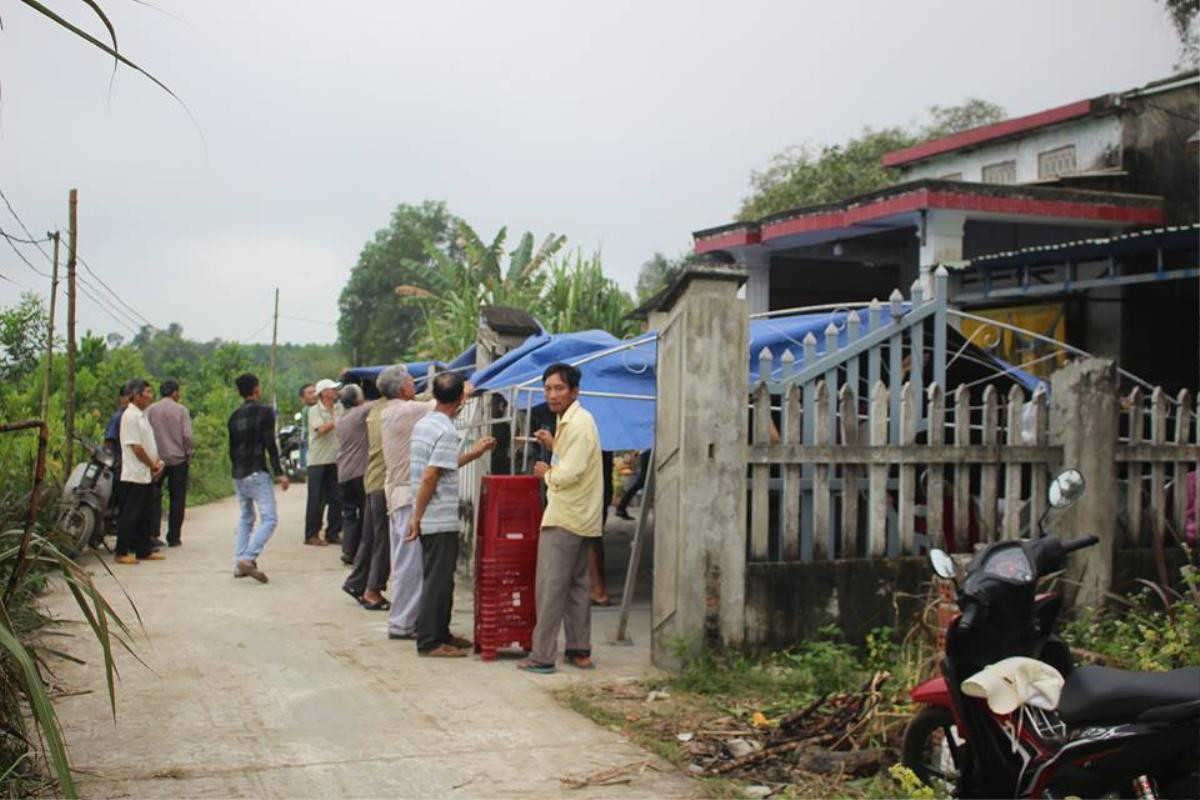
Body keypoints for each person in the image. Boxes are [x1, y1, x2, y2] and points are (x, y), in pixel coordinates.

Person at [519, 363, 603, 674]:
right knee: (577, 584)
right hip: (580, 515)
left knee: (551, 586)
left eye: (559, 388)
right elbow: (573, 458)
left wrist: (546, 473)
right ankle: (579, 649)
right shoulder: (572, 422)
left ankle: (542, 656)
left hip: (565, 515)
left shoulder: (578, 424)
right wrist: (554, 446)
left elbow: (570, 471)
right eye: (548, 389)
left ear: (574, 392)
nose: (552, 395)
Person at [407, 373, 495, 657]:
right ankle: (430, 641)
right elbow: (431, 476)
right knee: (438, 580)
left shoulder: (425, 424)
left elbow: (441, 464)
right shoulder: (445, 430)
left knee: (441, 577)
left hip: (431, 515)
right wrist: (417, 517)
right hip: (436, 517)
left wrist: (475, 453)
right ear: (460, 400)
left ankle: (440, 631)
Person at [378, 365, 436, 639]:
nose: (415, 385)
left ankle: (405, 620)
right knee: (409, 564)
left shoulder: (390, 411)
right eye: (412, 381)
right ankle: (402, 623)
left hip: (397, 495)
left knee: (405, 561)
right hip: (405, 496)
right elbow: (445, 404)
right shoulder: (406, 411)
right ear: (403, 388)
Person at [227, 373, 290, 582]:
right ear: (256, 389)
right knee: (269, 518)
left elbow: (232, 449)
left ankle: (239, 562)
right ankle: (248, 557)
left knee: (246, 518)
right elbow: (270, 445)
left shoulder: (234, 416)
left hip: (238, 474)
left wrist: (236, 472)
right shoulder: (265, 413)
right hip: (256, 471)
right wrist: (279, 473)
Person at [342, 384, 393, 609]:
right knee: (381, 537)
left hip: (362, 477)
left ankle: (356, 581)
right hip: (368, 477)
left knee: (369, 534)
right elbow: (385, 400)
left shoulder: (344, 416)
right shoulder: (367, 411)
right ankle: (372, 590)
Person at [114, 379, 166, 565]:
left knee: (146, 513)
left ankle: (143, 549)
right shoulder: (130, 416)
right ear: (137, 396)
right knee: (131, 514)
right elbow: (136, 447)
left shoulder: (141, 415)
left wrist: (156, 462)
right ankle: (121, 551)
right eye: (148, 393)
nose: (151, 396)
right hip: (134, 473)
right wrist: (152, 464)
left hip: (145, 473)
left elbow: (147, 443)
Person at [146, 379, 195, 547]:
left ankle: (152, 534)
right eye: (178, 392)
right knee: (177, 499)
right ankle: (174, 537)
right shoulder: (181, 410)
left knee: (153, 496)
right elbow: (187, 435)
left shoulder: (151, 409)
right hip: (178, 460)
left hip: (156, 461)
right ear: (174, 392)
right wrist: (189, 453)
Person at [334, 384, 372, 564]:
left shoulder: (340, 419)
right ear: (357, 399)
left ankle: (348, 551)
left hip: (343, 473)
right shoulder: (359, 413)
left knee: (348, 514)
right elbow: (383, 402)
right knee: (365, 513)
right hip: (360, 471)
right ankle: (364, 553)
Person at [305, 378, 342, 546]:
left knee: (336, 498)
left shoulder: (339, 408)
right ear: (324, 393)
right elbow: (321, 429)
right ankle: (311, 534)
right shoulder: (314, 410)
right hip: (318, 461)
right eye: (332, 389)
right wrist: (338, 420)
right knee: (317, 499)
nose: (335, 391)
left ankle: (333, 533)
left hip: (336, 459)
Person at [103, 384, 131, 519]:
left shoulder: (133, 416)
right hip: (120, 465)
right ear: (121, 398)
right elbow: (109, 442)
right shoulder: (118, 417)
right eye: (127, 397)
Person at [614, 450, 650, 521]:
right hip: (647, 451)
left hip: (646, 451)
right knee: (641, 481)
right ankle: (621, 506)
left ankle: (621, 506)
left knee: (641, 482)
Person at [298, 383, 316, 469]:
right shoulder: (308, 410)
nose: (313, 395)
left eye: (314, 392)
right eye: (309, 393)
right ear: (302, 398)